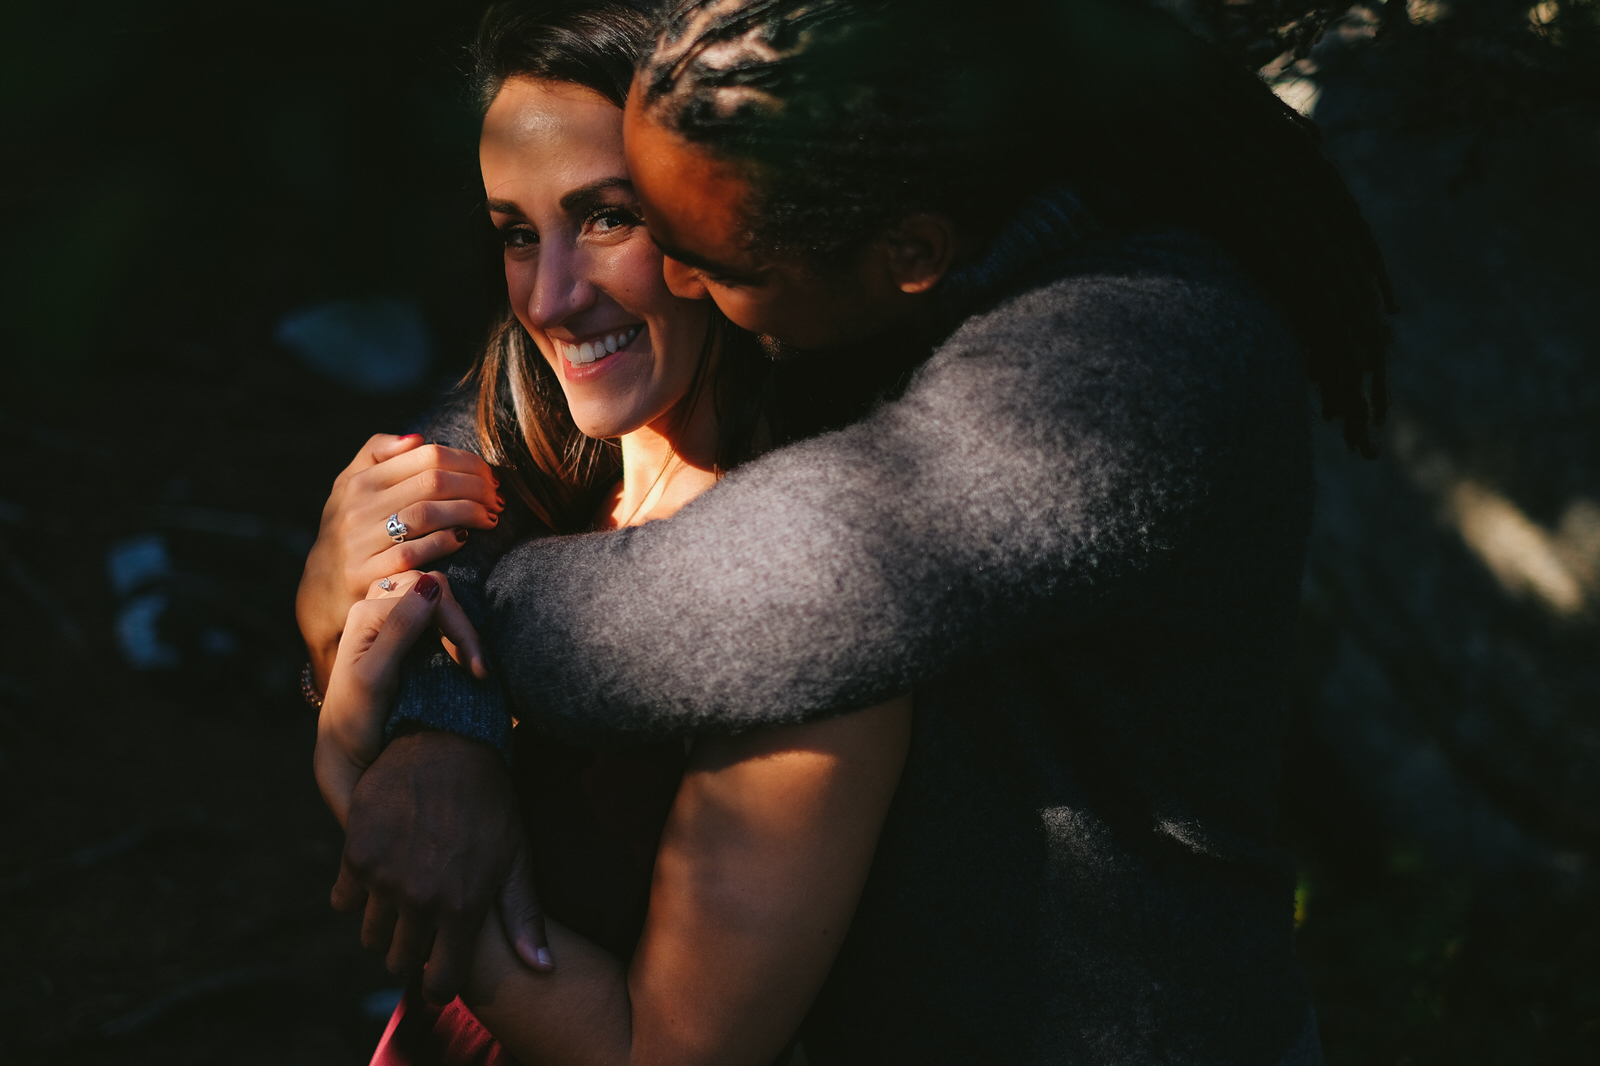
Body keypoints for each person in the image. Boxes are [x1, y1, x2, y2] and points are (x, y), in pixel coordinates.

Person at [311, 0, 1395, 1061]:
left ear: (903, 251)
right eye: (518, 233)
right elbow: (511, 406)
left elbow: (728, 598)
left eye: (692, 247)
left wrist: (429, 666)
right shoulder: (862, 219)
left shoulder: (1119, 371)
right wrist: (422, 604)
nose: (677, 276)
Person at [305, 3, 911, 1062]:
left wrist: (354, 775)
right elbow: (344, 640)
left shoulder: (814, 590)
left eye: (605, 218)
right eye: (515, 234)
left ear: (721, 210)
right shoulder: (516, 459)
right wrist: (413, 707)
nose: (550, 297)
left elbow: (669, 1052)